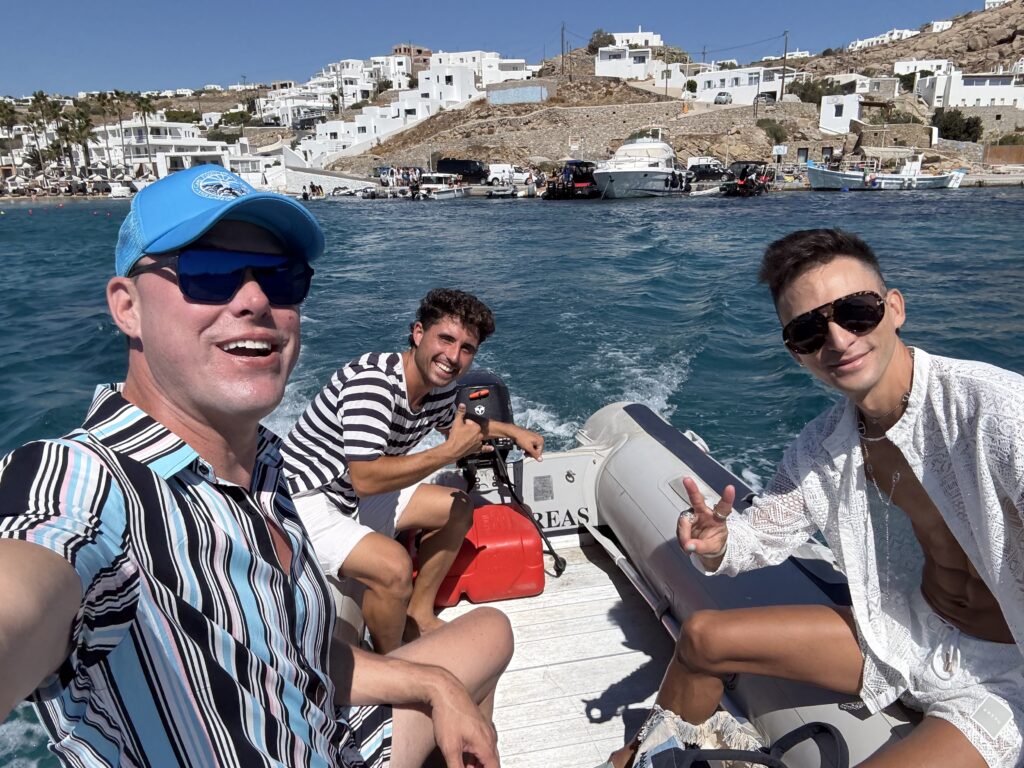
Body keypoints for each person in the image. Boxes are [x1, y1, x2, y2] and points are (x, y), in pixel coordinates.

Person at [0, 165, 513, 768]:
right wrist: (447, 455)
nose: (254, 300)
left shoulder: (264, 469)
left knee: (491, 632)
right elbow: (28, 584)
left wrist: (432, 684)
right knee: (396, 568)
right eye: (208, 272)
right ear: (127, 307)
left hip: (322, 731)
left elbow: (292, 662)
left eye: (280, 277)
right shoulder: (84, 481)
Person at [605, 228, 1023, 768]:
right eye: (808, 330)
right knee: (704, 635)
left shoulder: (995, 411)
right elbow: (762, 533)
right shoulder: (823, 444)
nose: (838, 340)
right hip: (907, 632)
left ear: (894, 308)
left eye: (856, 311)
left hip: (1003, 673)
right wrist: (718, 542)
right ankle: (641, 757)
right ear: (796, 353)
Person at [282, 289, 544, 654]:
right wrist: (447, 453)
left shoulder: (439, 389)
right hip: (306, 498)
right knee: (394, 566)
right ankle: (393, 660)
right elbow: (367, 477)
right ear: (419, 333)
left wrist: (514, 432)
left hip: (354, 494)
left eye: (466, 348)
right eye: (446, 339)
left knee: (457, 506)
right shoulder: (373, 385)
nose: (453, 357)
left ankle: (418, 615)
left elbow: (458, 428)